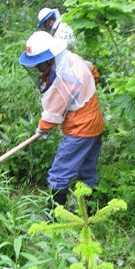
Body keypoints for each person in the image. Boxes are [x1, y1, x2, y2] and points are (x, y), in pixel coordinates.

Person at [19, 31, 103, 206]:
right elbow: (93, 70)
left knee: (59, 173)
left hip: (80, 129)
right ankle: (88, 211)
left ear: (49, 59)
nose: (37, 68)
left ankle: (55, 216)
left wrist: (42, 129)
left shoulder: (61, 79)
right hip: (95, 122)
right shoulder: (71, 57)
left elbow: (52, 115)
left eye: (40, 65)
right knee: (87, 171)